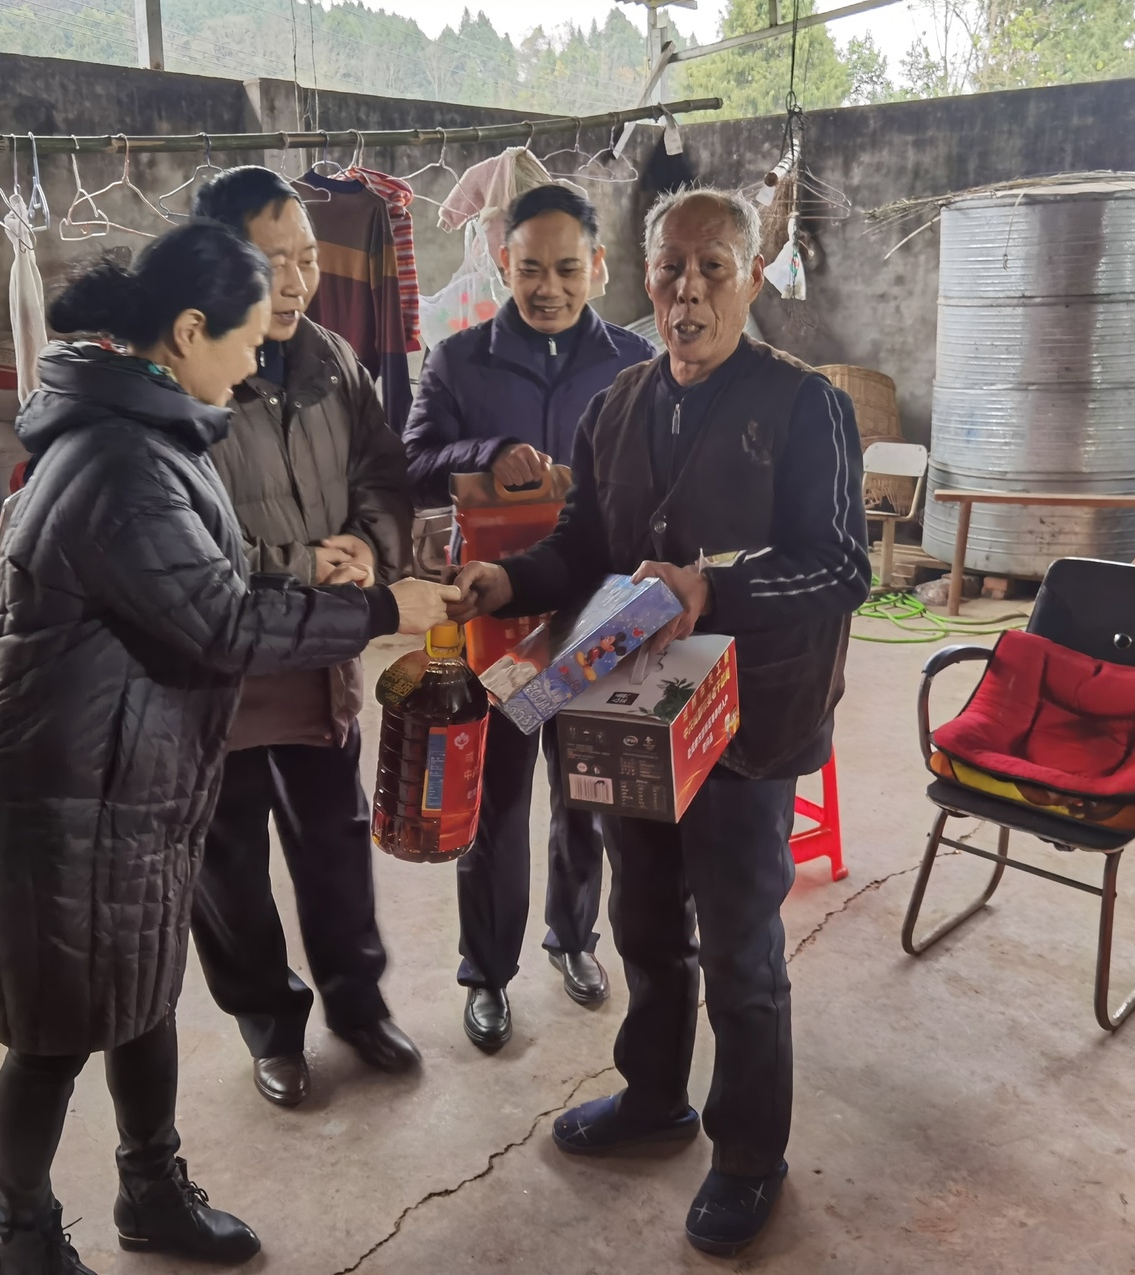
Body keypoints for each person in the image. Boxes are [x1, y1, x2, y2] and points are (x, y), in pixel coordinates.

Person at [0, 220, 456, 1275]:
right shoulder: (118, 462)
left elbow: (203, 588)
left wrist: (318, 575)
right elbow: (221, 625)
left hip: (128, 780)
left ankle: (151, 1191)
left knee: (140, 1000)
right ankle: (21, 1239)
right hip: (68, 797)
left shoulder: (143, 437)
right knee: (53, 1036)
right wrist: (380, 609)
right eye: (243, 340)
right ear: (189, 331)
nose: (250, 365)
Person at [449, 188, 871, 1258]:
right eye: (671, 269)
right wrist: (509, 579)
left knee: (739, 946)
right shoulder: (617, 404)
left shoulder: (801, 405)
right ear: (644, 276)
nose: (687, 291)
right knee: (642, 919)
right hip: (631, 717)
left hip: (747, 724)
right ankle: (652, 1096)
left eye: (712, 268)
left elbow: (839, 566)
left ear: (751, 278)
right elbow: (583, 546)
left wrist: (710, 589)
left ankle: (749, 1152)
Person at [402, 183, 654, 1052]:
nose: (549, 287)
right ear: (502, 263)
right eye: (532, 268)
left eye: (568, 269)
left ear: (599, 266)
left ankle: (574, 937)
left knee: (586, 789)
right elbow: (415, 460)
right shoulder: (458, 360)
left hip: (595, 616)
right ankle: (487, 971)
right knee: (497, 799)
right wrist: (487, 453)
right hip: (496, 617)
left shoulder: (634, 363)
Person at [186, 166, 418, 1109]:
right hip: (220, 671)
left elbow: (384, 471)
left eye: (307, 260)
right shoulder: (189, 376)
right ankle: (270, 1027)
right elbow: (187, 548)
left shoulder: (332, 361)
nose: (293, 283)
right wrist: (302, 562)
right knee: (229, 858)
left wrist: (367, 544)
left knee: (335, 838)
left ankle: (357, 1005)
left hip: (319, 656)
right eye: (269, 262)